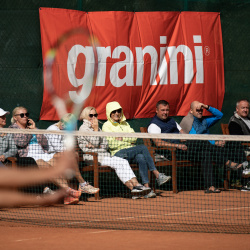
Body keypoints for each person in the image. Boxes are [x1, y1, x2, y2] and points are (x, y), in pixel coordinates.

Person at [9, 106, 81, 204]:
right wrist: (30, 132)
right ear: (15, 117)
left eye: (27, 114)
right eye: (22, 115)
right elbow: (21, 143)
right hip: (28, 157)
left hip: (43, 153)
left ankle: (67, 195)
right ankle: (68, 191)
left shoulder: (32, 127)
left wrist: (36, 130)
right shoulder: (12, 129)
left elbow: (44, 143)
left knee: (56, 164)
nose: (25, 117)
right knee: (44, 164)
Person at [102, 101, 171, 199]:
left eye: (118, 111)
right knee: (143, 147)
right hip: (118, 154)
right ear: (109, 113)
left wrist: (122, 138)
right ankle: (157, 174)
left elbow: (134, 137)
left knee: (141, 157)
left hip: (130, 152)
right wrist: (127, 141)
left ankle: (146, 189)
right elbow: (112, 144)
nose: (116, 113)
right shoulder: (106, 126)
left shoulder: (125, 124)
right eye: (114, 111)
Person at [77, 107, 151, 198]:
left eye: (95, 115)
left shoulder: (98, 129)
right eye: (91, 115)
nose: (93, 117)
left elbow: (105, 145)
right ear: (85, 116)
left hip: (103, 155)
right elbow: (96, 142)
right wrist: (96, 132)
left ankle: (136, 186)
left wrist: (96, 145)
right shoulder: (84, 129)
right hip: (92, 158)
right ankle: (133, 188)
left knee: (123, 161)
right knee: (118, 163)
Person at [180, 101, 248, 193]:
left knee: (207, 153)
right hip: (191, 151)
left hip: (205, 150)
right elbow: (196, 139)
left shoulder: (205, 121)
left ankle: (210, 186)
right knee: (201, 141)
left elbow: (219, 115)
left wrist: (206, 106)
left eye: (201, 110)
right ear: (191, 111)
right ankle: (228, 162)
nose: (200, 112)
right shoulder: (187, 121)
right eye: (197, 110)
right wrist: (214, 143)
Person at [46, 113, 99, 194]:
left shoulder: (67, 131)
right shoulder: (53, 129)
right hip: (49, 156)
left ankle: (73, 189)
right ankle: (82, 184)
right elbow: (58, 148)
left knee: (75, 155)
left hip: (60, 156)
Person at [0, 151, 76, 208]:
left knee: (30, 160)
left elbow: (13, 149)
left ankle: (66, 191)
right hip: (9, 162)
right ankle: (48, 190)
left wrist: (4, 155)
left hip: (7, 160)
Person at [228, 99, 250, 191]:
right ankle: (246, 183)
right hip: (242, 148)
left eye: (247, 108)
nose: (245, 110)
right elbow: (238, 138)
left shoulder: (248, 119)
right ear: (237, 109)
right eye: (243, 108)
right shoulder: (234, 121)